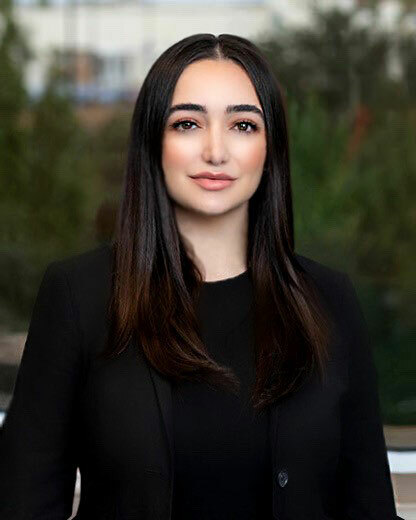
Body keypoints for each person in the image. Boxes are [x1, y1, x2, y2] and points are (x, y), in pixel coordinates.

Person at [0, 33, 402, 520]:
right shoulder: (78, 295)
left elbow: (368, 506)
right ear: (154, 141)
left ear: (270, 148)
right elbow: (23, 503)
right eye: (187, 123)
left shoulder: (330, 300)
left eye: (243, 125)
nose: (216, 151)